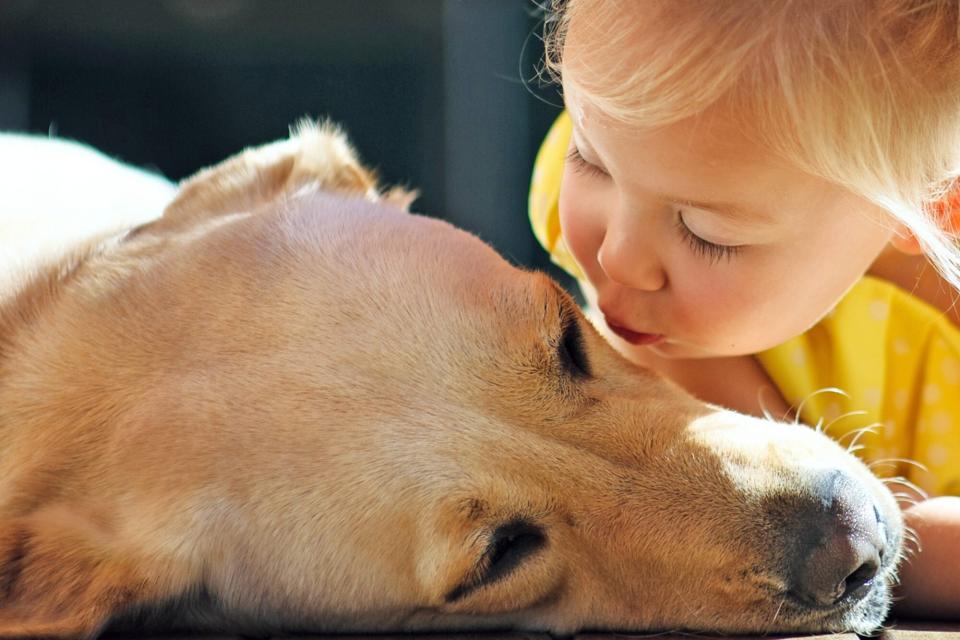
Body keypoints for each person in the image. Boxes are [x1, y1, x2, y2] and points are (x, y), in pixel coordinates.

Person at [529, 0, 960, 618]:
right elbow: (836, 542)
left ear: (931, 200)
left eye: (707, 233)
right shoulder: (671, 330)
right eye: (587, 158)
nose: (617, 259)